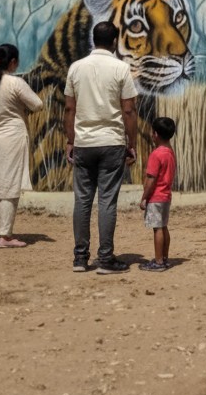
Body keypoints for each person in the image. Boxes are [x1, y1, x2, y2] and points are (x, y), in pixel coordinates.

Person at [64, 21, 138, 274]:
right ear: (114, 41)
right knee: (107, 201)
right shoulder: (121, 68)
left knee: (82, 201)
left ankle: (80, 258)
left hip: (84, 142)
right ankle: (105, 258)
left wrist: (70, 140)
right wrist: (132, 143)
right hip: (112, 142)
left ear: (94, 40)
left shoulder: (76, 68)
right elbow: (129, 109)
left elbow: (69, 108)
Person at [0, 43, 44, 248]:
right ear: (13, 62)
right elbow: (37, 104)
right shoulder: (15, 83)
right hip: (12, 138)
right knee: (10, 187)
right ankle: (5, 236)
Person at [138, 116, 176, 272]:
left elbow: (151, 179)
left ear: (155, 134)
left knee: (157, 229)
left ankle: (158, 262)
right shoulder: (170, 153)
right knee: (164, 227)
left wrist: (144, 197)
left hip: (155, 197)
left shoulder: (156, 154)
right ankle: (164, 258)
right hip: (166, 196)